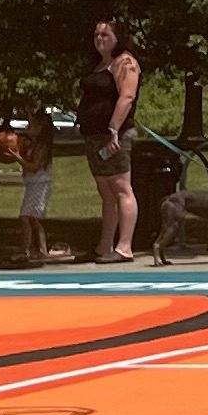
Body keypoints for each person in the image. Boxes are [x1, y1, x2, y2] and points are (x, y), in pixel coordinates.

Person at [77, 18, 142, 263]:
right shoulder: (99, 64)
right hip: (93, 136)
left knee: (121, 188)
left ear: (118, 38)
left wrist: (114, 128)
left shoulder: (125, 63)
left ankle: (124, 247)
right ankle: (104, 246)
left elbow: (126, 97)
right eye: (97, 35)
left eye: (105, 35)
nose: (100, 39)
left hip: (114, 136)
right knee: (105, 192)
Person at [15, 110, 59, 265]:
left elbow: (34, 167)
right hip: (33, 184)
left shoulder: (42, 147)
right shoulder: (32, 145)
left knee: (27, 217)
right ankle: (40, 249)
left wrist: (17, 158)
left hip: (40, 185)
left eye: (32, 125)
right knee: (32, 218)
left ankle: (27, 249)